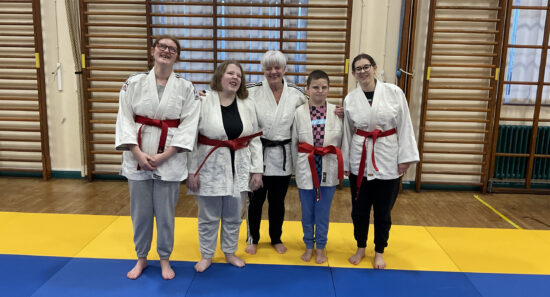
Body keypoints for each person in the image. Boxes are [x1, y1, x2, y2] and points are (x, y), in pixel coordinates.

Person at [115, 35, 200, 280]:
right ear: (153, 51)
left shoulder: (186, 87)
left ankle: (164, 259)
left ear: (177, 56)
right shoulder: (133, 83)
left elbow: (188, 125)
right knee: (140, 213)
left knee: (165, 213)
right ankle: (141, 258)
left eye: (172, 49)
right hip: (137, 156)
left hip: (170, 158)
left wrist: (167, 155)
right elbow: (125, 118)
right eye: (162, 47)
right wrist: (137, 153)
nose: (166, 51)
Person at [245, 50, 344, 255]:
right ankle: (253, 238)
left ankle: (276, 238)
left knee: (278, 201)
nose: (273, 72)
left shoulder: (296, 93)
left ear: (284, 69)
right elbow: (226, 93)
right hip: (258, 152)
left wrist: (338, 111)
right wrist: (203, 96)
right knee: (255, 200)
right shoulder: (251, 91)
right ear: (263, 70)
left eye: (277, 67)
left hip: (283, 155)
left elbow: (315, 108)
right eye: (269, 68)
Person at [341, 53, 419, 269]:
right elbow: (347, 133)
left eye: (366, 67)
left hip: (387, 157)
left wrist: (405, 158)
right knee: (359, 209)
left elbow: (405, 125)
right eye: (358, 69)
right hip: (360, 158)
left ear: (374, 68)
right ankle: (360, 247)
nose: (363, 71)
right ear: (354, 73)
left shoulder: (394, 93)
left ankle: (379, 251)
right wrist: (347, 164)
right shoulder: (350, 99)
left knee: (383, 211)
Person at [186, 61, 263, 273]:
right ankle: (207, 255)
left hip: (239, 165)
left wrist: (257, 170)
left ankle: (229, 252)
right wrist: (192, 171)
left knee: (233, 214)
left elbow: (254, 138)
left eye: (239, 75)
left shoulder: (247, 103)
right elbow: (191, 139)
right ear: (220, 76)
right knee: (208, 215)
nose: (235, 77)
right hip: (208, 164)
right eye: (230, 73)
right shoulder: (202, 101)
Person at [291, 70, 343, 264]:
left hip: (328, 165)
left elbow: (343, 140)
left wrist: (342, 166)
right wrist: (294, 168)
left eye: (324, 87)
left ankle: (321, 247)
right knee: (307, 212)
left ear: (328, 89)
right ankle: (308, 246)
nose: (320, 91)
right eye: (315, 87)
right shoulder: (299, 112)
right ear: (307, 89)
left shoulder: (336, 112)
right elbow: (294, 142)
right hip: (306, 165)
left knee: (322, 211)